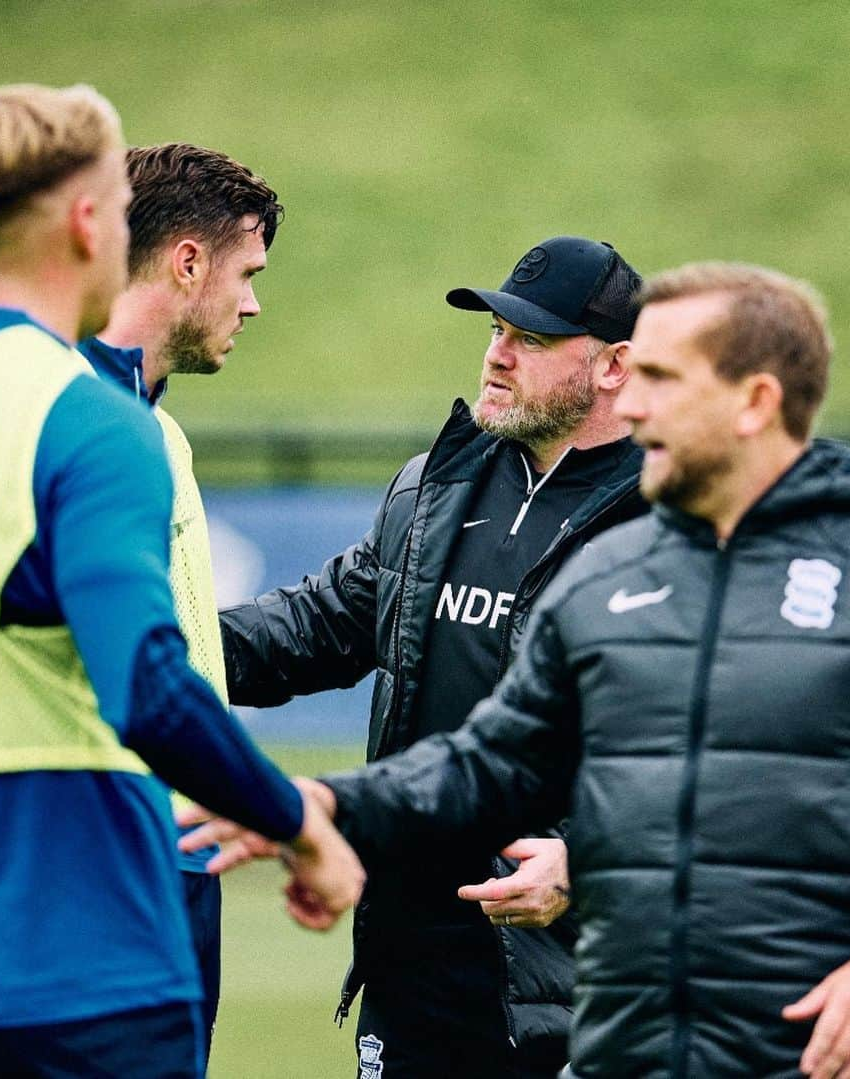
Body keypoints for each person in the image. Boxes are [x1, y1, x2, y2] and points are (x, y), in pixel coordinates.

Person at [187, 261, 850, 1077]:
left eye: (661, 377)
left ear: (756, 401)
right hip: (615, 1042)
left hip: (819, 1049)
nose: (636, 405)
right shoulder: (608, 575)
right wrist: (321, 802)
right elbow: (491, 762)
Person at [0, 84, 362, 1079]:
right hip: (83, 955)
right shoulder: (93, 420)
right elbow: (146, 683)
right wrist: (299, 819)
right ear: (93, 222)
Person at [217, 236, 648, 1077]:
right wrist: (151, 643)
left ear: (614, 365)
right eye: (494, 330)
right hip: (413, 968)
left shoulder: (671, 518)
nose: (496, 356)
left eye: (529, 338)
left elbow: (714, 756)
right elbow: (318, 624)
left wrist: (590, 864)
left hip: (575, 979)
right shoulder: (436, 484)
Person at [77, 140, 280, 1061]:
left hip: (174, 862)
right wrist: (294, 818)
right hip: (100, 870)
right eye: (245, 273)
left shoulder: (156, 426)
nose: (252, 303)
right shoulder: (71, 423)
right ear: (187, 260)